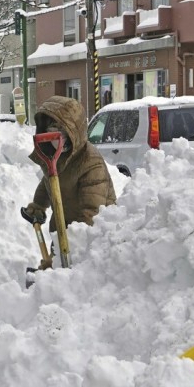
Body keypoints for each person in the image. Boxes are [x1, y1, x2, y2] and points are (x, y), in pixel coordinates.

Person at [22, 95, 116, 269]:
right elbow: (49, 182)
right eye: (52, 130)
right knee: (55, 273)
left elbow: (92, 213)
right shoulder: (56, 156)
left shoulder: (90, 163)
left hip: (91, 237)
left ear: (75, 132)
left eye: (63, 132)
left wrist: (71, 247)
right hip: (63, 228)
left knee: (73, 279)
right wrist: (38, 205)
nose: (57, 138)